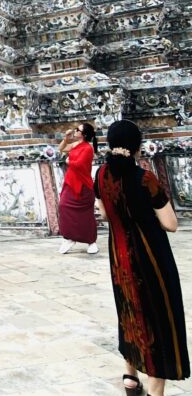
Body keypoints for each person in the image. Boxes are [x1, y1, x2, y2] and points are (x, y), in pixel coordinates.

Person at [94, 120, 189, 396]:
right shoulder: (144, 178)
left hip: (119, 257)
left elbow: (102, 214)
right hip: (151, 259)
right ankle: (155, 391)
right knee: (159, 319)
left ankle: (130, 376)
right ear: (137, 147)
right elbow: (171, 223)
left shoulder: (100, 175)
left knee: (129, 311)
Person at [57, 122, 99, 255]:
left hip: (83, 184)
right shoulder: (75, 144)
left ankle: (91, 242)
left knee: (86, 214)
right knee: (63, 206)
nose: (75, 131)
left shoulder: (88, 148)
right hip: (71, 182)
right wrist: (66, 138)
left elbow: (80, 164)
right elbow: (61, 149)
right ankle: (69, 237)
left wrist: (68, 161)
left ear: (84, 135)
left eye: (77, 130)